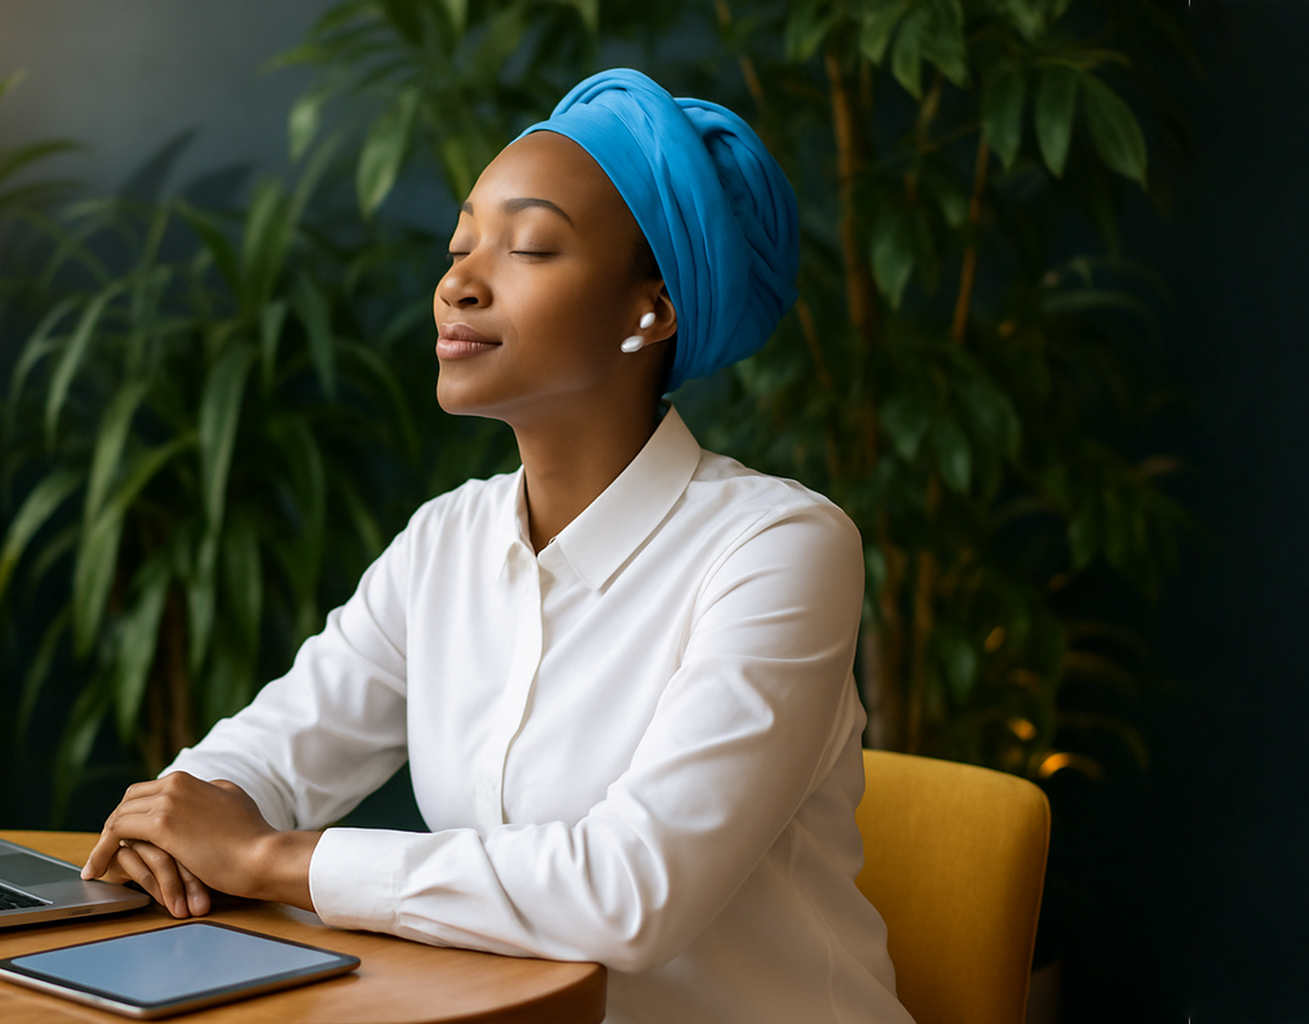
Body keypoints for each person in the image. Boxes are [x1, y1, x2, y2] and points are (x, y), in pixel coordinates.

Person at [80, 68, 915, 1023]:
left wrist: (268, 858)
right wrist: (181, 820)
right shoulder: (446, 542)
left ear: (654, 307)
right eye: (460, 242)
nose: (458, 283)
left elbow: (630, 892)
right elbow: (270, 756)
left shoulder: (780, 551)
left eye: (529, 247)